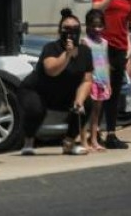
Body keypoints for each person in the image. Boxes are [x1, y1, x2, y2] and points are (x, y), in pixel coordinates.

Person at [17, 9, 92, 156]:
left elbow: (87, 80)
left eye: (75, 29)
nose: (71, 32)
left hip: (62, 94)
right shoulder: (51, 48)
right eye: (67, 29)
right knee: (36, 110)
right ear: (60, 31)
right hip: (37, 91)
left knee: (86, 104)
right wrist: (67, 55)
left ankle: (69, 144)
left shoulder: (85, 51)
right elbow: (52, 70)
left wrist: (79, 100)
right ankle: (28, 141)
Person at [90, 0, 131, 150]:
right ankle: (94, 133)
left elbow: (126, 22)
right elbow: (95, 10)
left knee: (115, 92)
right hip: (102, 46)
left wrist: (130, 44)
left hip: (120, 46)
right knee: (100, 90)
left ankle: (111, 133)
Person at [81, 8, 110, 152]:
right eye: (94, 25)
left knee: (97, 113)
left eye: (100, 25)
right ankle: (83, 139)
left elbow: (105, 62)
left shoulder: (104, 43)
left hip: (102, 81)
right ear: (87, 26)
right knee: (87, 111)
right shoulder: (85, 42)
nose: (97, 29)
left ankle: (94, 140)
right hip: (90, 81)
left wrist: (108, 83)